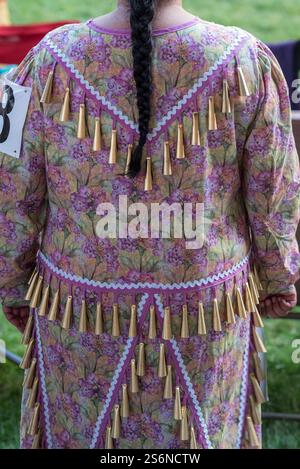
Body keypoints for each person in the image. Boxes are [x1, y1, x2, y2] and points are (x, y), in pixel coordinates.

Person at [0, 0, 299, 450]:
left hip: (78, 308)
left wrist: (12, 283)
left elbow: (11, 188)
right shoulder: (246, 60)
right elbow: (273, 191)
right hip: (206, 307)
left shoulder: (44, 61)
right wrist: (279, 277)